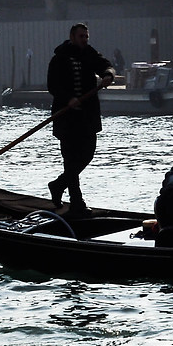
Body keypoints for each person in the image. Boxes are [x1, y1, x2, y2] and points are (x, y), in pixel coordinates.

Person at [44, 23, 118, 212]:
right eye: (81, 36)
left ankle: (58, 185)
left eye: (86, 36)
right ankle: (77, 203)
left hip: (87, 117)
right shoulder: (59, 58)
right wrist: (68, 99)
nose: (84, 40)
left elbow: (106, 66)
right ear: (72, 37)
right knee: (70, 160)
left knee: (87, 155)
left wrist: (108, 75)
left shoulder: (89, 54)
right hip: (66, 118)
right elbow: (53, 85)